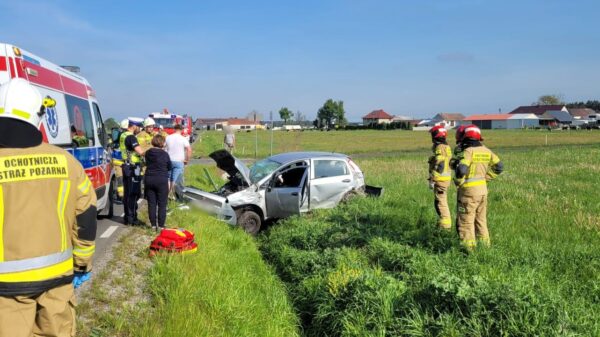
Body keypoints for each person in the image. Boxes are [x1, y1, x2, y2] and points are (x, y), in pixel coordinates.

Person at [0, 78, 97, 337]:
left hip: (5, 291)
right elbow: (86, 216)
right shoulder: (66, 162)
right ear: (39, 116)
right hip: (57, 282)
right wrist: (82, 263)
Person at [454, 125, 504, 251]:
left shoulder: (469, 151)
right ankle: (485, 249)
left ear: (466, 137)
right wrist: (486, 178)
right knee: (481, 221)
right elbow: (499, 167)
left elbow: (461, 169)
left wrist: (459, 182)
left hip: (468, 194)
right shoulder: (487, 151)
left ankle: (468, 252)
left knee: (466, 222)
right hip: (483, 192)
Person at [120, 117, 145, 225]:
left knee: (127, 193)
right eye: (139, 127)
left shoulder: (123, 135)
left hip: (126, 166)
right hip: (133, 168)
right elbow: (140, 152)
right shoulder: (131, 137)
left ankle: (127, 217)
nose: (140, 129)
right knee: (133, 193)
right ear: (134, 126)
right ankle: (132, 218)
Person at [144, 135, 172, 231]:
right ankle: (160, 226)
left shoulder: (148, 153)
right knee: (162, 204)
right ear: (162, 143)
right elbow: (169, 166)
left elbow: (146, 163)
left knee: (151, 203)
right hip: (161, 179)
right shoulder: (165, 154)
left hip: (149, 179)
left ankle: (152, 225)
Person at [428, 125, 453, 229]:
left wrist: (433, 179)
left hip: (440, 179)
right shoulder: (446, 147)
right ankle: (442, 223)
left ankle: (445, 227)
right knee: (439, 201)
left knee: (441, 203)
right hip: (444, 179)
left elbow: (440, 164)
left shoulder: (440, 147)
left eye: (433, 134)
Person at [165, 124, 192, 195]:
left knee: (168, 178)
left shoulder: (168, 137)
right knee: (175, 179)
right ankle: (172, 194)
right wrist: (187, 160)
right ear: (182, 130)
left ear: (174, 129)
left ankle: (167, 194)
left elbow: (164, 148)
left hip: (168, 160)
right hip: (179, 161)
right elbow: (189, 150)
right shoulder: (183, 138)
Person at [112, 118, 130, 201]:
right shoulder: (127, 136)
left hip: (118, 161)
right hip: (122, 161)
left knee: (120, 179)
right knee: (123, 179)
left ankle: (121, 196)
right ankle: (122, 196)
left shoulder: (118, 135)